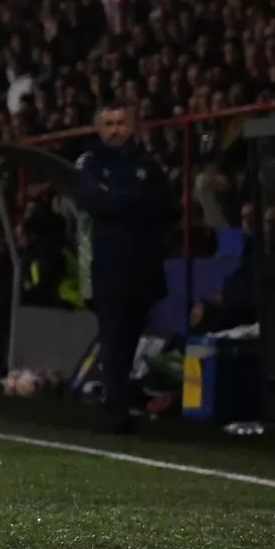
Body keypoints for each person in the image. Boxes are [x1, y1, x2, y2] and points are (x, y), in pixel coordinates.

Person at [71, 99, 171, 434]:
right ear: (99, 129)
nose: (115, 130)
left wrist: (118, 199)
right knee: (113, 337)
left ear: (134, 126)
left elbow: (166, 206)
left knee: (129, 339)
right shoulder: (88, 163)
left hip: (143, 267)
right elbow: (93, 202)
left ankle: (117, 399)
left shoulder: (148, 165)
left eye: (121, 123)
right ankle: (116, 411)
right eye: (109, 124)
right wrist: (133, 199)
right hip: (107, 268)